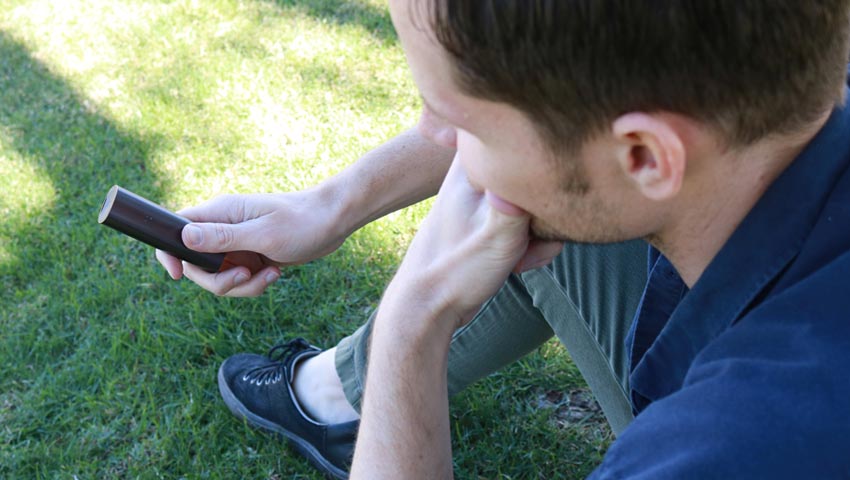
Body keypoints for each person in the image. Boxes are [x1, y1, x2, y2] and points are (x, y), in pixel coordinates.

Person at [158, 1, 850, 478]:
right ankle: (337, 402)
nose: (438, 139)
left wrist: (410, 325)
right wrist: (330, 207)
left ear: (643, 157)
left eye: (461, 123)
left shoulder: (729, 451)